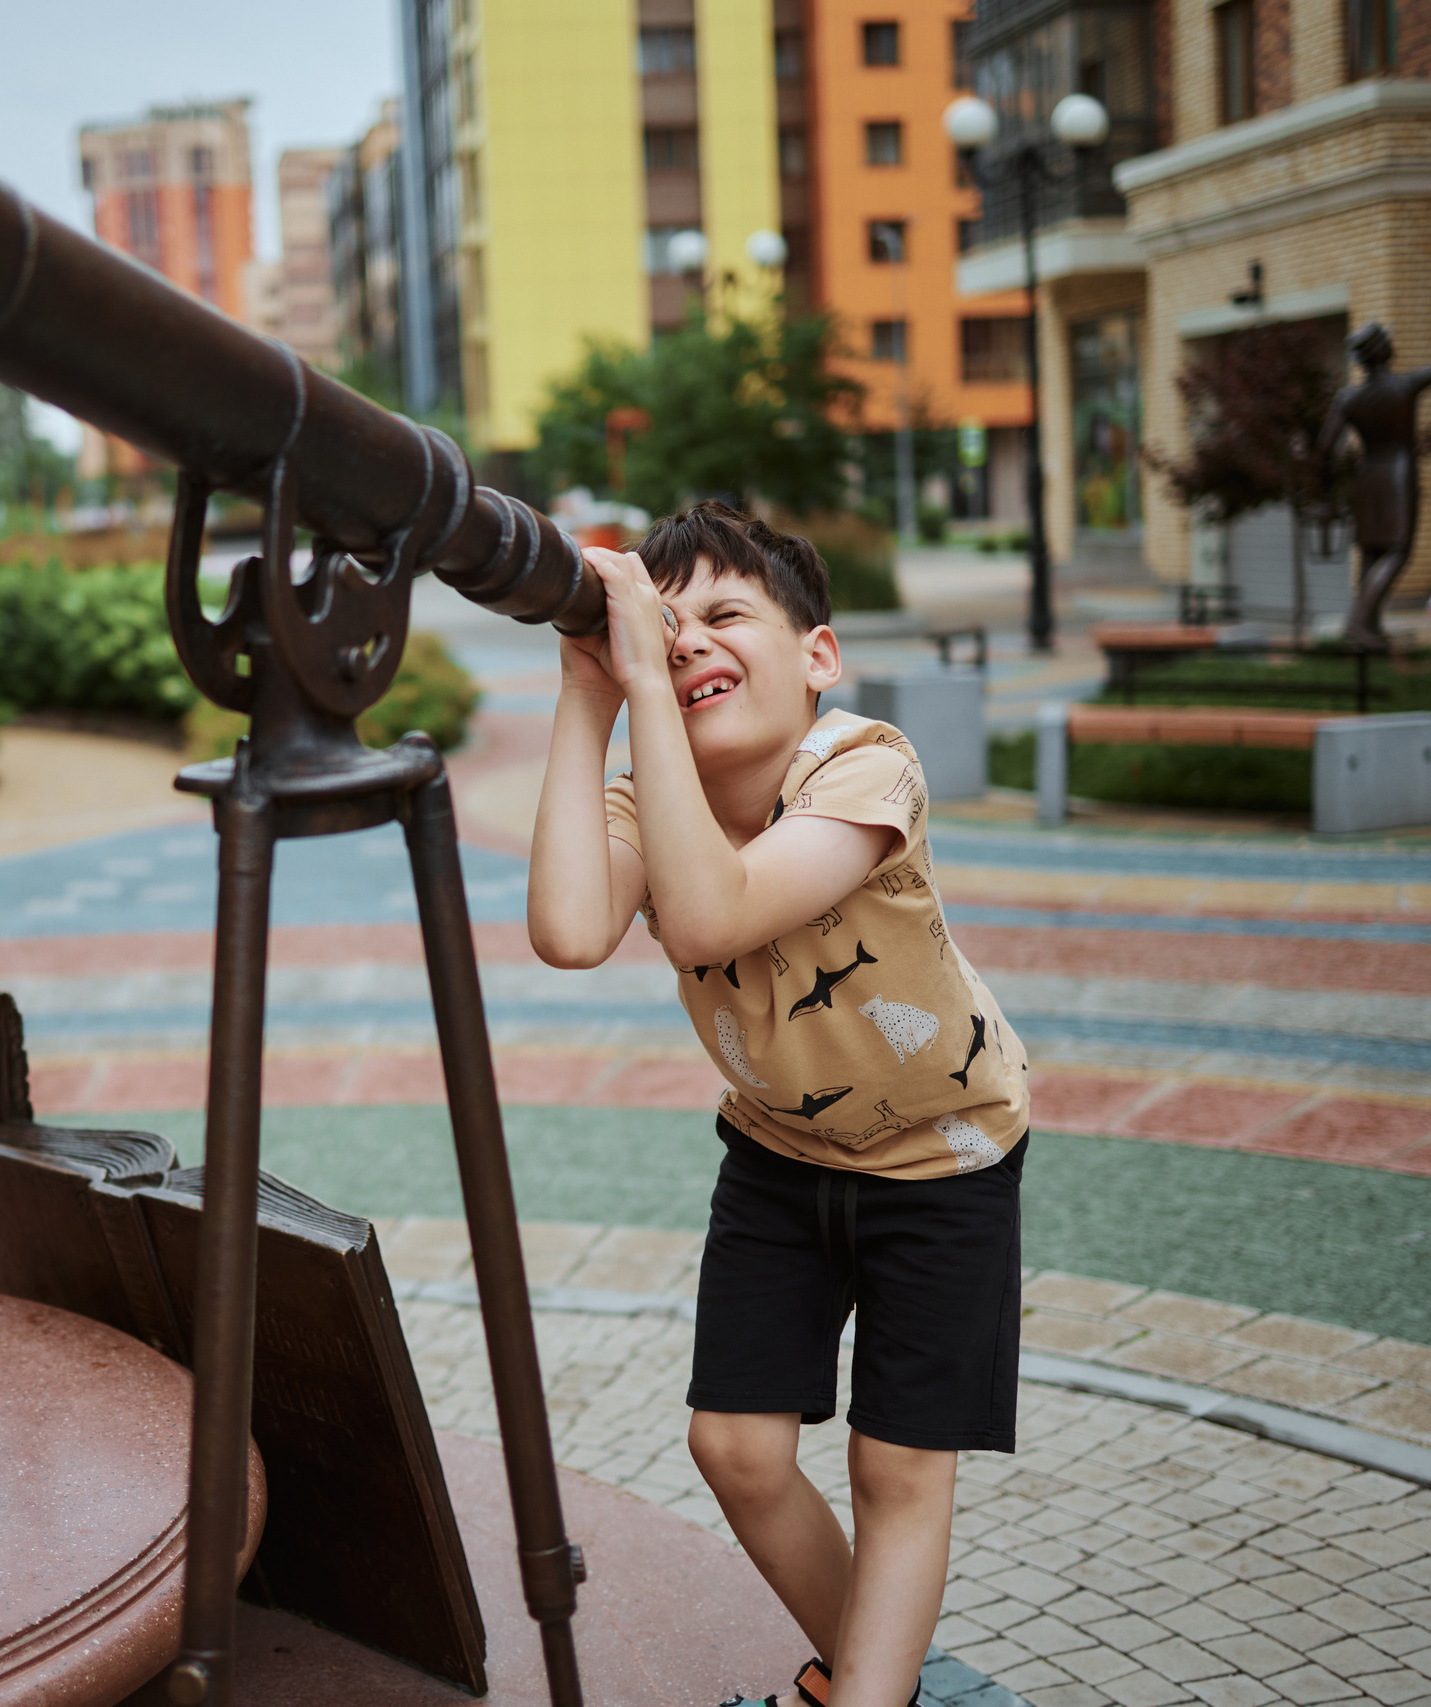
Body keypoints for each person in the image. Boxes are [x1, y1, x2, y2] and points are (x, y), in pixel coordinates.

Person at [527, 502, 1030, 1707]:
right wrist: (589, 695)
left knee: (895, 1467)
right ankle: (878, 1683)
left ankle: (863, 1694)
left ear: (817, 658)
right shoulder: (651, 803)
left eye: (723, 615)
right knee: (735, 1448)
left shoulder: (865, 764)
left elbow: (711, 915)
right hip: (778, 1150)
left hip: (943, 1158)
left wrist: (645, 673)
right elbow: (567, 930)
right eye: (662, 619)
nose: (685, 638)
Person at [1313, 300, 1431, 650]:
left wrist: (1326, 486)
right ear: (1382, 350)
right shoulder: (1404, 386)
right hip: (1397, 473)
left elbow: (1324, 450)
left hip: (1367, 476)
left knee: (1370, 551)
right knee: (1396, 549)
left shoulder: (1348, 398)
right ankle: (1358, 623)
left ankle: (1369, 624)